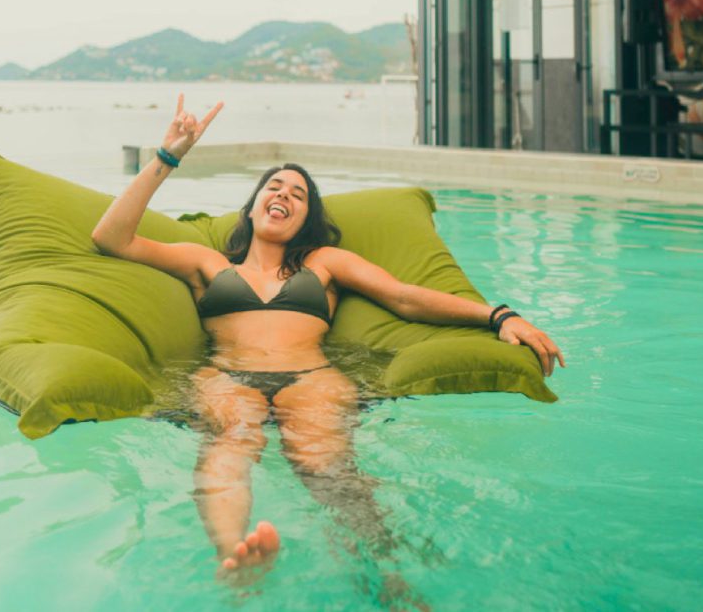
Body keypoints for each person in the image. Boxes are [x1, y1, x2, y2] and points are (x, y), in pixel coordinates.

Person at [92, 95, 565, 587]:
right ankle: (235, 555)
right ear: (252, 208)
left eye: (298, 195)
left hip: (310, 378)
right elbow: (111, 237)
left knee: (324, 460)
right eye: (274, 187)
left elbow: (404, 297)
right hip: (229, 377)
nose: (284, 195)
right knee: (230, 442)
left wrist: (499, 315)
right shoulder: (207, 264)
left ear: (306, 219)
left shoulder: (324, 264)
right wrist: (169, 155)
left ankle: (387, 573)